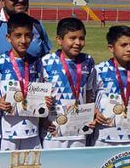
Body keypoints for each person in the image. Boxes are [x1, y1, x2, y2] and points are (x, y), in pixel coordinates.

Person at [0, 13, 51, 151]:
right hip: (6, 133)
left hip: (32, 131)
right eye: (18, 35)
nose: (23, 40)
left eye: (28, 35)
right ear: (8, 38)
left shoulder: (37, 63)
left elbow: (43, 91)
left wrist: (46, 100)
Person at [41, 17, 97, 148]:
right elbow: (39, 95)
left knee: (77, 166)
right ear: (59, 40)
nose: (78, 42)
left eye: (81, 38)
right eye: (72, 38)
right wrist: (42, 120)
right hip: (53, 128)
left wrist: (90, 114)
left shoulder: (88, 61)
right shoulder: (46, 62)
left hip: (79, 129)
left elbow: (89, 92)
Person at [93, 26, 130, 146]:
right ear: (111, 48)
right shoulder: (99, 70)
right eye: (123, 45)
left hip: (129, 134)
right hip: (103, 134)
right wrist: (94, 110)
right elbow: (88, 96)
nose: (129, 49)